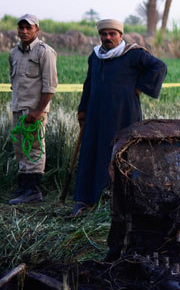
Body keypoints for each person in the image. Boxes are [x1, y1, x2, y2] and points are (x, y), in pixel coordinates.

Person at [72, 19, 167, 216]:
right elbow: (89, 83)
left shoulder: (134, 54)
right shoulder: (96, 56)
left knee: (117, 153)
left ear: (120, 36)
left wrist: (140, 86)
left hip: (123, 115)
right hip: (96, 114)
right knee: (92, 151)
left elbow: (159, 67)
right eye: (104, 34)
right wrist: (83, 109)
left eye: (112, 34)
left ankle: (114, 201)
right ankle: (86, 200)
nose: (107, 38)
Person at [8, 14, 58, 204]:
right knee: (20, 148)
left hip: (34, 110)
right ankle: (23, 188)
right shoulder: (14, 53)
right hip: (18, 108)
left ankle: (33, 191)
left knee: (34, 148)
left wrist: (38, 112)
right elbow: (14, 82)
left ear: (37, 29)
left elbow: (50, 86)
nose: (24, 31)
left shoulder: (45, 52)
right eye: (21, 28)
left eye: (29, 28)